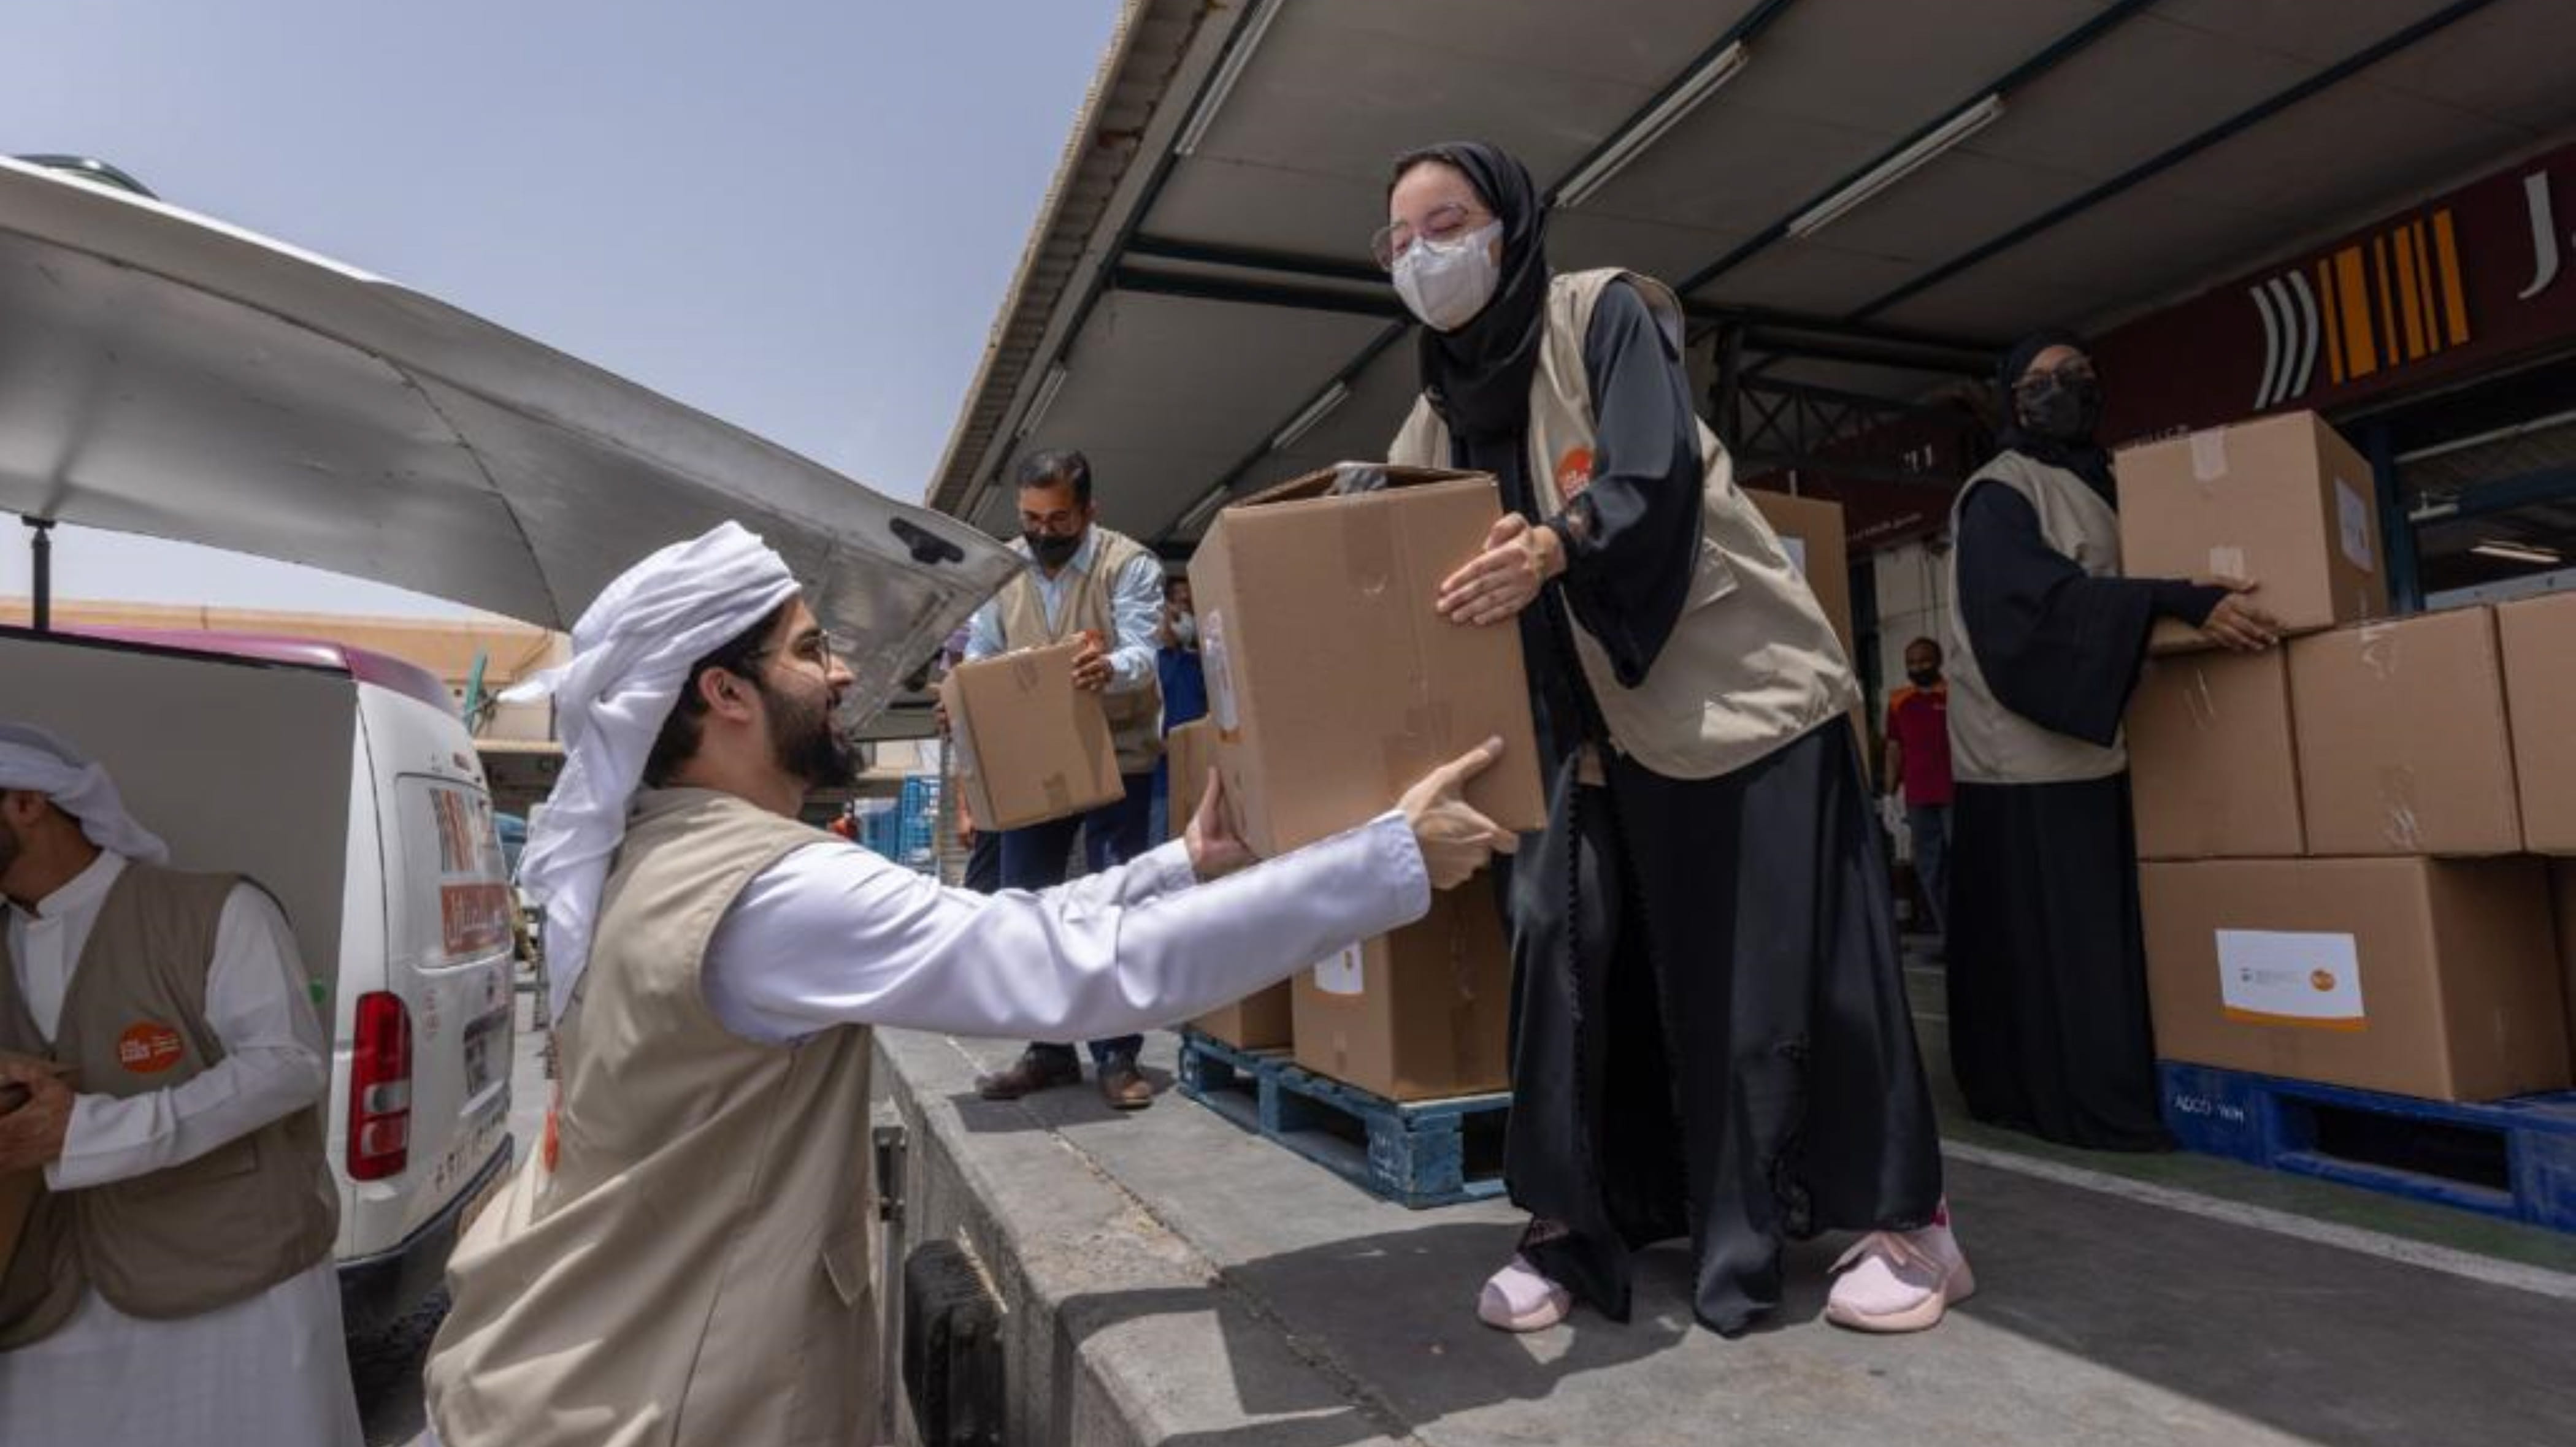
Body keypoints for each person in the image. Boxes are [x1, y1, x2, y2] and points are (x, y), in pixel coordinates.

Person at [421, 521, 1510, 1447]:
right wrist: (1386, 862)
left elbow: (1011, 929)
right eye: (809, 652)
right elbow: (1082, 979)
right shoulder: (777, 892)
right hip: (671, 1402)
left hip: (598, 1364)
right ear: (724, 693)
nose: (844, 673)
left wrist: (1180, 863)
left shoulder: (657, 853)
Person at [1378, 142, 1961, 1338]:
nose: (1425, 256)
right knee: (1563, 944)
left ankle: (1915, 1223)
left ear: (1512, 222)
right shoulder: (1429, 420)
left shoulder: (1601, 314)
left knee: (1768, 976)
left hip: (1731, 700)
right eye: (1400, 242)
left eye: (1449, 222)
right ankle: (1575, 1224)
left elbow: (1652, 475)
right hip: (1579, 740)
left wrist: (1557, 539)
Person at [1941, 330, 2281, 1151]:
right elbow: (2031, 613)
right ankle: (2068, 1096)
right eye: (2049, 378)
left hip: (2105, 748)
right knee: (2067, 954)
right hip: (2031, 766)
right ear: (2014, 397)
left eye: (2084, 374)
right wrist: (2173, 598)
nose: (2072, 388)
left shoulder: (2111, 482)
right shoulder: (2000, 493)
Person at [0, 723, 361, 1446]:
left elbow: (287, 1061)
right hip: (49, 1300)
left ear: (27, 803)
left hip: (230, 1294)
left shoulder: (218, 910)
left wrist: (91, 1131)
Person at [959, 449, 1169, 1109]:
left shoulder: (1127, 563)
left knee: (1113, 905)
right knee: (1028, 904)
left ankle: (1116, 1054)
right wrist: (969, 691)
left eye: (1058, 519)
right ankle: (1048, 1050)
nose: (1043, 533)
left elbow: (1145, 648)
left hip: (1119, 753)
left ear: (1088, 511)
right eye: (1030, 518)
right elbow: (979, 652)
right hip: (1035, 762)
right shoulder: (1003, 567)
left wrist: (1108, 666)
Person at [1882, 636, 1955, 937]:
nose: (1917, 667)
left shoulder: (1955, 696)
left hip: (1956, 793)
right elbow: (1894, 748)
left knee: (1961, 864)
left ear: (1938, 661)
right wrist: (1889, 793)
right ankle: (1949, 933)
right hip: (1918, 796)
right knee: (1930, 868)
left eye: (1924, 660)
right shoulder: (1899, 701)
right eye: (1911, 662)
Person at [1147, 575, 1210, 843]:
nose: (1184, 611)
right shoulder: (1151, 662)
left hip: (1200, 763)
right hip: (1163, 769)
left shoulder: (1203, 660)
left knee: (1202, 837)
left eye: (1188, 604)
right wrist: (1153, 741)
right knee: (1161, 842)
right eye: (1177, 604)